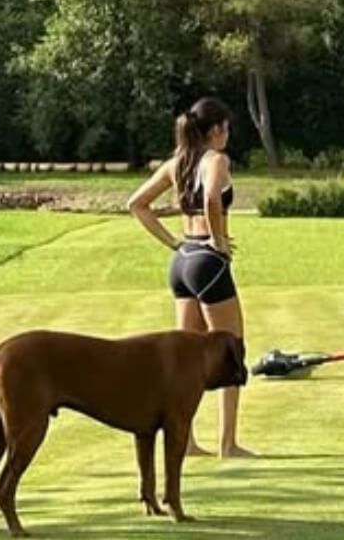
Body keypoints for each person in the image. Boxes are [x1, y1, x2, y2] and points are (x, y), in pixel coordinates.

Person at [127, 97, 255, 457]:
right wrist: (218, 242)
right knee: (230, 352)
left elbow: (137, 204)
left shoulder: (177, 162)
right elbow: (213, 199)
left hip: (183, 261)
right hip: (208, 262)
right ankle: (228, 444)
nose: (228, 135)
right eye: (227, 128)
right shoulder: (216, 160)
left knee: (186, 358)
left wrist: (174, 243)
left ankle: (186, 441)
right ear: (215, 130)